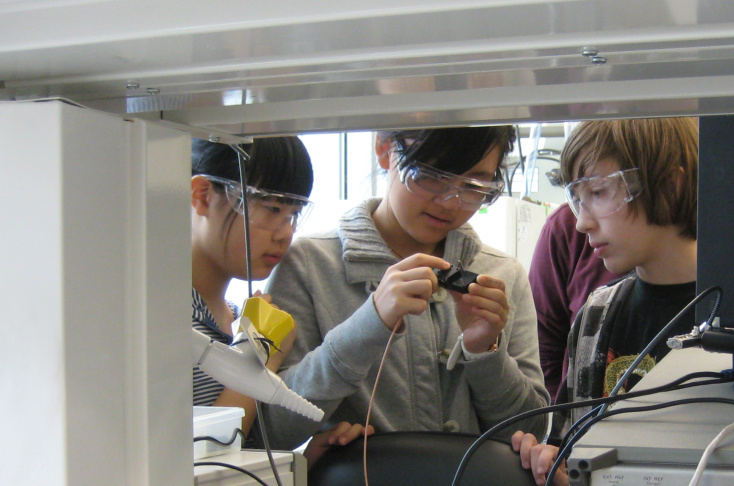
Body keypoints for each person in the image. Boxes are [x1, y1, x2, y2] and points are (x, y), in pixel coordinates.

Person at [258, 126, 550, 450]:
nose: (449, 202)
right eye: (431, 174)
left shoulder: (501, 275)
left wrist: (484, 353)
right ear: (384, 149)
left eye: (474, 185)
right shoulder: (308, 266)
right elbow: (270, 431)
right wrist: (368, 326)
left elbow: (533, 430)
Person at [512, 117, 699, 485]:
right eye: (577, 200)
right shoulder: (597, 314)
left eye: (597, 192)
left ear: (671, 184)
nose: (581, 223)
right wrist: (552, 463)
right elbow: (572, 443)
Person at [190, 137, 371, 465]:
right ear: (202, 196)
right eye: (272, 209)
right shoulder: (159, 319)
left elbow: (236, 454)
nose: (284, 233)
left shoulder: (236, 318)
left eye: (294, 213)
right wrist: (259, 355)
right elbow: (197, 456)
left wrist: (308, 458)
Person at [529, 204, 624, 402]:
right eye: (576, 196)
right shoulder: (566, 225)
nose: (582, 224)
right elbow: (542, 341)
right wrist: (560, 421)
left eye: (598, 191)